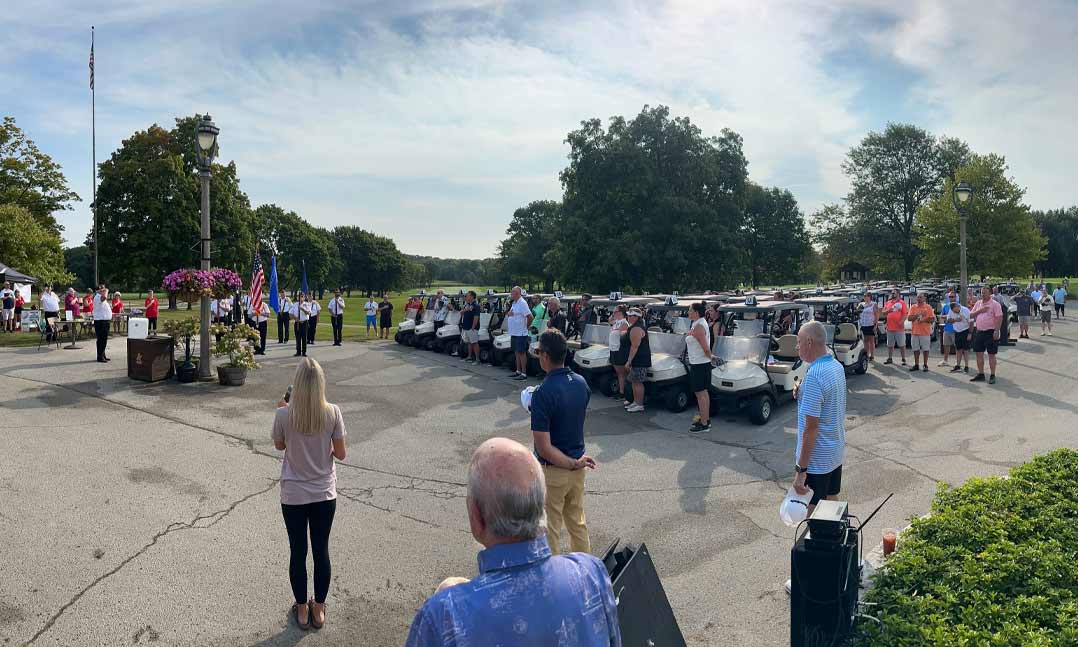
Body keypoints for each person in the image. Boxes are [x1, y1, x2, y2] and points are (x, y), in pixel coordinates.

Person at [405, 437, 619, 647]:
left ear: (476, 517)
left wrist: (449, 602)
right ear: (541, 506)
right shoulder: (592, 573)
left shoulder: (444, 617)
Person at [272, 358, 346, 631]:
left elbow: (280, 446)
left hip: (294, 492)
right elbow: (341, 453)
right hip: (323, 491)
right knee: (321, 549)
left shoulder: (283, 414)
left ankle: (302, 608)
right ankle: (319, 607)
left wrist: (284, 412)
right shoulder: (333, 412)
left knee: (298, 551)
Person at [786, 320, 846, 595]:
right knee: (832, 509)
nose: (796, 346)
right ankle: (841, 560)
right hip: (834, 454)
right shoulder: (835, 367)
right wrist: (802, 393)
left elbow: (811, 428)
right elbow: (825, 405)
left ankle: (808, 578)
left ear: (810, 342)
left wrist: (801, 469)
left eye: (798, 341)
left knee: (812, 522)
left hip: (817, 462)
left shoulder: (814, 376)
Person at [530, 329, 596, 555]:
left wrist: (570, 464)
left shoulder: (542, 393)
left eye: (539, 353)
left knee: (550, 529)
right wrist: (575, 464)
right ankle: (586, 567)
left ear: (546, 357)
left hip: (556, 470)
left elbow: (543, 447)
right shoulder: (580, 382)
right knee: (577, 522)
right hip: (578, 464)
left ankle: (555, 580)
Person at [686, 302, 714, 433]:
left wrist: (712, 358)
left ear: (696, 312)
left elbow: (705, 348)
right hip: (697, 362)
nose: (688, 312)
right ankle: (705, 419)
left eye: (690, 310)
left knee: (701, 394)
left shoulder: (699, 326)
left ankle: (704, 423)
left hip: (700, 364)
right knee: (702, 393)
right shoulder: (696, 324)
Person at [969, 286, 1003, 384]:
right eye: (982, 292)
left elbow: (999, 318)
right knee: (978, 353)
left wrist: (996, 331)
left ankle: (992, 375)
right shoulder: (978, 303)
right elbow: (971, 315)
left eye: (985, 292)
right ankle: (981, 374)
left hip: (990, 332)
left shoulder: (995, 304)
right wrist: (980, 311)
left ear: (990, 293)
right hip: (979, 332)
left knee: (991, 354)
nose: (983, 294)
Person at [623, 307, 651, 413]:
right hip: (637, 358)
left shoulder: (636, 329)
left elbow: (635, 346)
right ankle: (636, 401)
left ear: (637, 317)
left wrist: (629, 361)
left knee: (638, 382)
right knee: (634, 381)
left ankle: (639, 404)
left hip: (640, 358)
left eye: (632, 315)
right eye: (628, 315)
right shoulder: (633, 327)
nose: (629, 317)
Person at [506, 286, 533, 381]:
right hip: (514, 332)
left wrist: (526, 327)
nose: (511, 295)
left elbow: (530, 317)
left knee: (521, 353)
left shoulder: (522, 303)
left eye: (512, 293)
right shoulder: (514, 303)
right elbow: (514, 314)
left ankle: (524, 373)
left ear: (517, 293)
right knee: (516, 352)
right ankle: (518, 371)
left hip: (521, 332)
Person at [906, 292, 934, 372]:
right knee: (915, 349)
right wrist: (917, 315)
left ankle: (925, 364)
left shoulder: (928, 307)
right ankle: (916, 364)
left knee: (925, 349)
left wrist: (924, 320)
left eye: (920, 297)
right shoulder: (913, 307)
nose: (919, 299)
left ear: (924, 299)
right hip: (915, 332)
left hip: (925, 332)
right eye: (918, 297)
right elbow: (909, 318)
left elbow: (932, 319)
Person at [882, 289, 908, 366]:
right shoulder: (888, 302)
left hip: (899, 328)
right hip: (890, 327)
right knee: (890, 344)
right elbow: (883, 313)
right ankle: (890, 358)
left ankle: (903, 359)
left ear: (898, 294)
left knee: (901, 344)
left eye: (894, 293)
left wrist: (902, 321)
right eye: (892, 293)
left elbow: (905, 314)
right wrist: (888, 311)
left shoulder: (902, 303)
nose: (892, 294)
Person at [946, 298, 972, 374]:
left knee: (966, 350)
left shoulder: (966, 310)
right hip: (957, 331)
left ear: (958, 306)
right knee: (958, 349)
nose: (955, 312)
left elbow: (971, 322)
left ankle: (966, 366)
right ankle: (958, 365)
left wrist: (970, 333)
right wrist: (955, 320)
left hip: (965, 330)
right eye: (953, 311)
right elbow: (948, 320)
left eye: (955, 311)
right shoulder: (951, 310)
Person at [92, 285, 113, 362]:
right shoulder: (98, 297)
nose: (103, 290)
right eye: (102, 289)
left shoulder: (99, 297)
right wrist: (106, 291)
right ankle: (100, 357)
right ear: (97, 290)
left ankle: (102, 355)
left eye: (104, 288)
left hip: (103, 321)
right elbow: (104, 298)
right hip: (101, 321)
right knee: (102, 339)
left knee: (103, 339)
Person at [460, 290, 481, 363]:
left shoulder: (476, 306)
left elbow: (476, 317)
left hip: (472, 328)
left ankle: (477, 359)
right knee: (469, 342)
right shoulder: (467, 305)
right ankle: (469, 357)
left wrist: (473, 327)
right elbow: (463, 314)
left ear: (472, 296)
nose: (466, 297)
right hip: (466, 326)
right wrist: (463, 312)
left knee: (474, 343)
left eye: (467, 295)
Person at [858, 292, 878, 362]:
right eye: (864, 296)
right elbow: (858, 312)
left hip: (870, 324)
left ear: (870, 297)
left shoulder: (873, 304)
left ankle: (872, 355)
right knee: (865, 340)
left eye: (866, 296)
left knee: (871, 341)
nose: (865, 297)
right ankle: (866, 354)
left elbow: (876, 315)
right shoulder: (861, 304)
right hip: (863, 324)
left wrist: (875, 325)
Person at [938, 291, 956, 366]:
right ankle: (945, 360)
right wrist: (947, 317)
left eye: (952, 296)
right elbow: (942, 316)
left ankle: (957, 361)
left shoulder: (958, 306)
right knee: (946, 345)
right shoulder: (945, 306)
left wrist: (947, 316)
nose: (951, 298)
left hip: (956, 329)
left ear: (955, 297)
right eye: (950, 297)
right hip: (947, 329)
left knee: (957, 346)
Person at [292, 292, 311, 357]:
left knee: (304, 337)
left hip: (304, 322)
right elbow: (290, 314)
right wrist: (295, 318)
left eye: (302, 296)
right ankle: (298, 351)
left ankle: (304, 352)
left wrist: (302, 308)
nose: (301, 298)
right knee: (298, 337)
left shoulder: (307, 304)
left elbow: (308, 313)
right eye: (299, 296)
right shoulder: (295, 304)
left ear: (304, 297)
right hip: (297, 323)